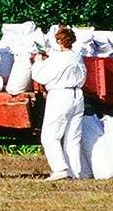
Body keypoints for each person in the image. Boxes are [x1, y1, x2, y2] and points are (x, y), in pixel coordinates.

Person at [32, 25, 87, 181]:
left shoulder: (57, 58)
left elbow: (40, 76)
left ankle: (60, 169)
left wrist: (37, 61)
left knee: (49, 136)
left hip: (60, 95)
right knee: (72, 138)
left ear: (58, 41)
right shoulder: (77, 57)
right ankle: (75, 172)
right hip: (77, 94)